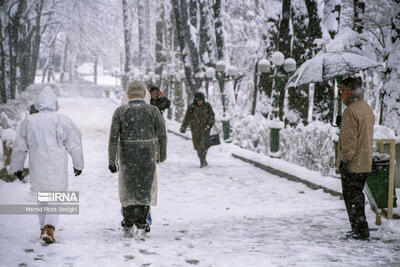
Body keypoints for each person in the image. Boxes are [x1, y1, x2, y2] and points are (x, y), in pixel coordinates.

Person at [10, 87, 84, 244]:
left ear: (38, 104)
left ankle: (43, 227)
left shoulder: (30, 121)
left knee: (42, 198)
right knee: (54, 198)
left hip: (38, 165)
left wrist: (17, 167)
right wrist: (78, 164)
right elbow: (75, 144)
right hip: (57, 166)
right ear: (54, 103)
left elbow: (19, 147)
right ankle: (49, 228)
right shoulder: (63, 120)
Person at [108, 80, 167, 239]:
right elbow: (162, 134)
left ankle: (128, 223)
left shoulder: (120, 111)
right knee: (144, 189)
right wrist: (161, 155)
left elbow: (113, 137)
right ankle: (141, 224)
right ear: (144, 94)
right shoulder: (153, 110)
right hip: (147, 155)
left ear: (128, 94)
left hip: (127, 155)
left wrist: (112, 161)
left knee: (128, 189)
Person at [336, 77, 374, 240]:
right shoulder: (365, 108)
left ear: (349, 92)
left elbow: (349, 142)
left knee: (352, 197)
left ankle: (360, 231)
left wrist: (344, 160)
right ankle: (361, 229)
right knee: (357, 196)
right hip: (364, 161)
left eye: (341, 91)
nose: (340, 96)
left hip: (353, 163)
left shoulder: (350, 112)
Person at [180, 92, 215, 168]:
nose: (199, 102)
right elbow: (187, 117)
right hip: (195, 130)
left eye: (201, 100)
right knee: (197, 146)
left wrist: (209, 124)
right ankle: (202, 159)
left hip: (205, 129)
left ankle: (203, 160)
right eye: (198, 100)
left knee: (204, 145)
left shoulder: (207, 106)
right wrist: (184, 127)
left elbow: (212, 116)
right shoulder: (192, 107)